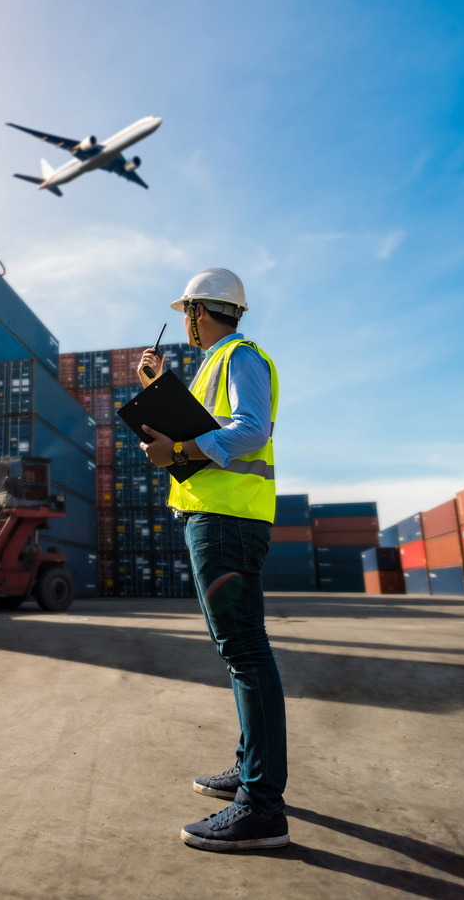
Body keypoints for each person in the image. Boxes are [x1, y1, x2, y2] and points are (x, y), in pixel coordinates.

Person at [135, 267, 287, 853]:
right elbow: (206, 425)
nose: (183, 322)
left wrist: (179, 448)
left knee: (246, 652)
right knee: (239, 651)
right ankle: (251, 769)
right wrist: (161, 385)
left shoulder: (242, 356)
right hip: (216, 517)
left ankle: (262, 806)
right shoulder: (213, 364)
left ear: (200, 310)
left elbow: (250, 429)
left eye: (186, 312)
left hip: (229, 522)